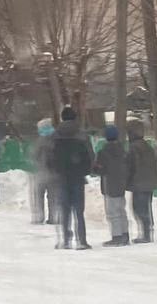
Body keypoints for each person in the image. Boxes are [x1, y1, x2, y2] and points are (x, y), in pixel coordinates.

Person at [52, 107, 93, 250]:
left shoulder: (55, 135)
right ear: (75, 117)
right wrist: (85, 171)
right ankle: (81, 240)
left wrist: (55, 171)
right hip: (77, 176)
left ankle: (65, 240)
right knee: (78, 210)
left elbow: (50, 156)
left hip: (61, 177)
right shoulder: (82, 135)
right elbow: (89, 155)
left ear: (62, 118)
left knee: (64, 209)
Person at [95, 124, 130, 247]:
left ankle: (116, 236)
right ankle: (125, 234)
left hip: (109, 184)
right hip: (121, 183)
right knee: (121, 210)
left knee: (112, 212)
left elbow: (99, 169)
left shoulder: (103, 152)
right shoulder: (123, 150)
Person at [125, 119, 157, 243]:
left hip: (139, 182)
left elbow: (130, 166)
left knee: (138, 208)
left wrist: (126, 181)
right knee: (146, 207)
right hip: (149, 182)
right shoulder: (147, 146)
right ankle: (148, 231)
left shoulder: (133, 148)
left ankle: (145, 234)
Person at [29, 118, 57, 225]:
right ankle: (53, 217)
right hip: (54, 173)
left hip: (42, 172)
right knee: (53, 196)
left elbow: (34, 155)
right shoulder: (56, 139)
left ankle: (38, 217)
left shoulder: (40, 141)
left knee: (38, 195)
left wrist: (35, 163)